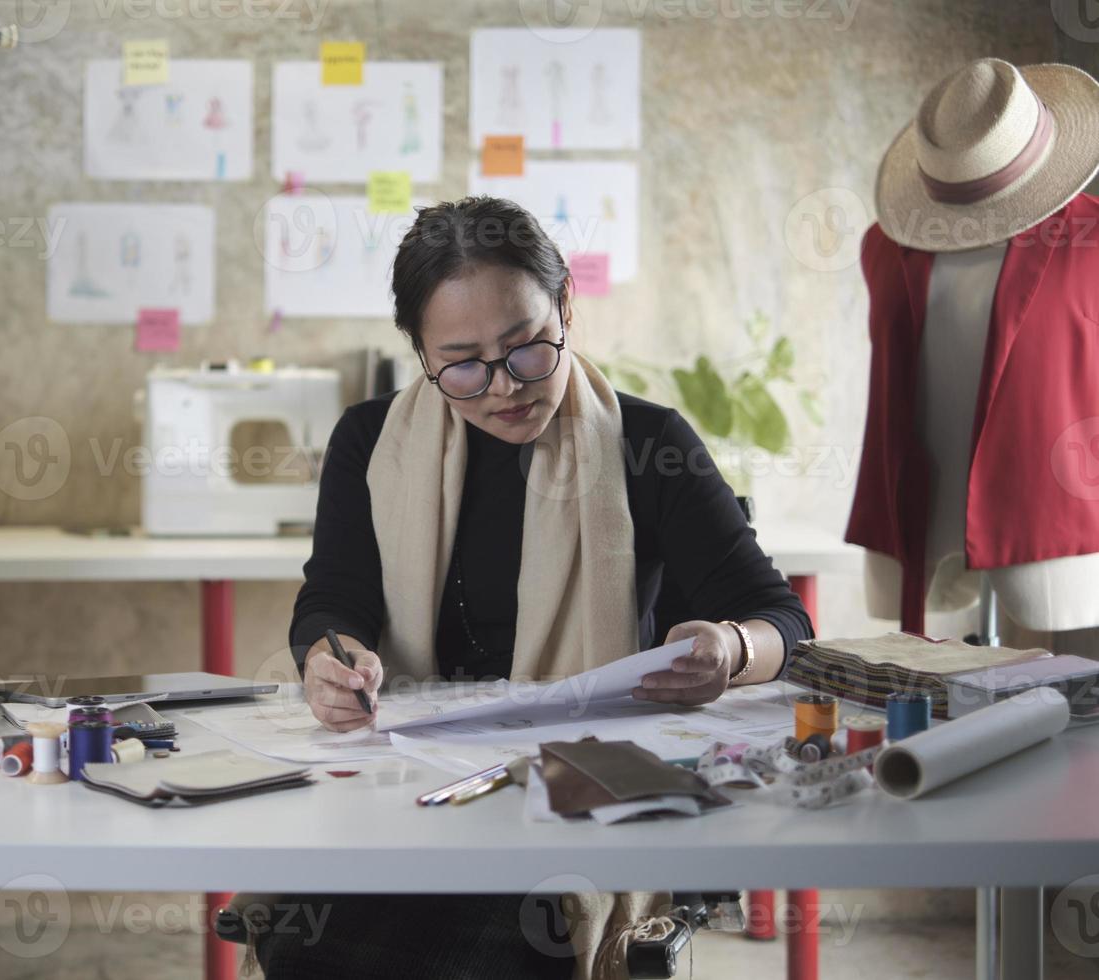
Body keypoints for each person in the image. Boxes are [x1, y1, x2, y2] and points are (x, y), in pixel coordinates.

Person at [255, 197, 813, 979]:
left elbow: (781, 616)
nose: (503, 387)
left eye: (525, 349)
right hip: (407, 784)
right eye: (461, 363)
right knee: (307, 944)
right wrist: (330, 656)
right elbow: (334, 598)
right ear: (419, 352)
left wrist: (731, 645)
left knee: (503, 947)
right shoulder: (371, 443)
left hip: (573, 793)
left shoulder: (648, 445)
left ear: (566, 308)